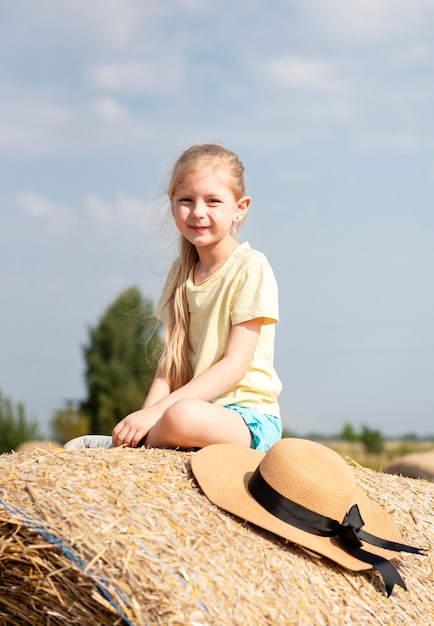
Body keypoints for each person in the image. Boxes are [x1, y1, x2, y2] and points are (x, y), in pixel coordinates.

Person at [65, 143, 282, 453]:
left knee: (181, 414)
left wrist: (156, 414)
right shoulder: (182, 272)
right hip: (192, 412)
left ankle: (136, 448)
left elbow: (235, 365)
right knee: (178, 413)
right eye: (186, 200)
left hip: (248, 421)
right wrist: (142, 417)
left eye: (213, 201)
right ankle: (134, 447)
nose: (198, 212)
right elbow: (170, 365)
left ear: (240, 207)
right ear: (172, 203)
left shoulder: (250, 266)